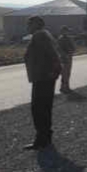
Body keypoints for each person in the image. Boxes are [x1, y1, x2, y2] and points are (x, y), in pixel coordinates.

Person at [23, 16, 62, 150]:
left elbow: (53, 54)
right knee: (44, 108)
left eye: (29, 24)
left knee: (39, 109)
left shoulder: (39, 36)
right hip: (44, 77)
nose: (27, 26)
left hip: (43, 77)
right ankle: (45, 138)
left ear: (35, 25)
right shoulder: (43, 35)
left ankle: (41, 140)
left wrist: (54, 71)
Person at [56, 26, 76, 94]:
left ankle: (66, 87)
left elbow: (73, 47)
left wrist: (72, 51)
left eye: (68, 31)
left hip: (69, 57)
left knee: (68, 73)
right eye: (66, 31)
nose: (68, 32)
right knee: (65, 74)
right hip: (64, 59)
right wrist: (65, 55)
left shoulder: (69, 38)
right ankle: (64, 88)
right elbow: (59, 49)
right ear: (63, 31)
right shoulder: (61, 39)